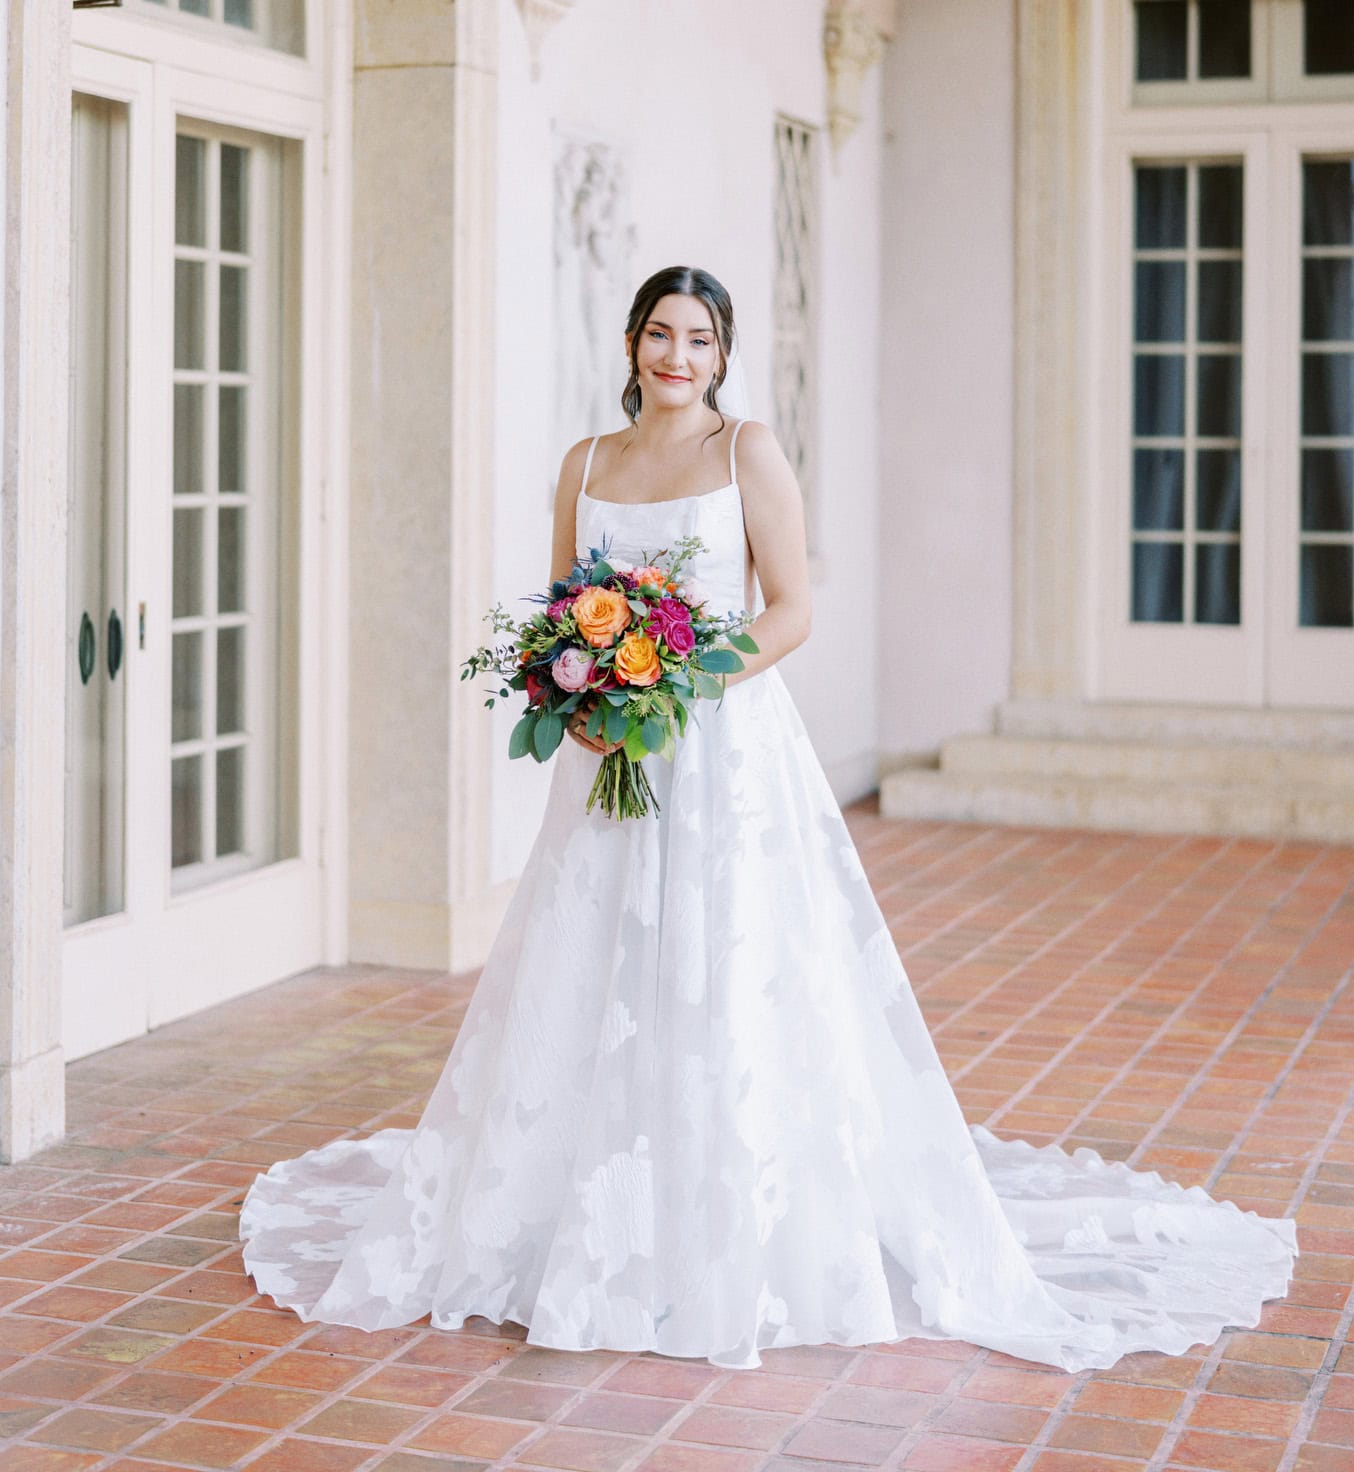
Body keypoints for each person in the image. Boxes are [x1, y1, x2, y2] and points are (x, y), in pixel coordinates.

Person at [240, 263, 1296, 1372]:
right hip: (609, 748)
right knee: (588, 959)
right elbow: (561, 608)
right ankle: (575, 1210)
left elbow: (788, 609)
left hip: (723, 745)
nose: (675, 357)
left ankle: (728, 1209)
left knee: (725, 958)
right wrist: (585, 692)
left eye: (697, 338)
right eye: (659, 334)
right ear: (632, 344)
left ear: (723, 354)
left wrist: (676, 683)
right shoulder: (586, 462)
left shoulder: (745, 451)